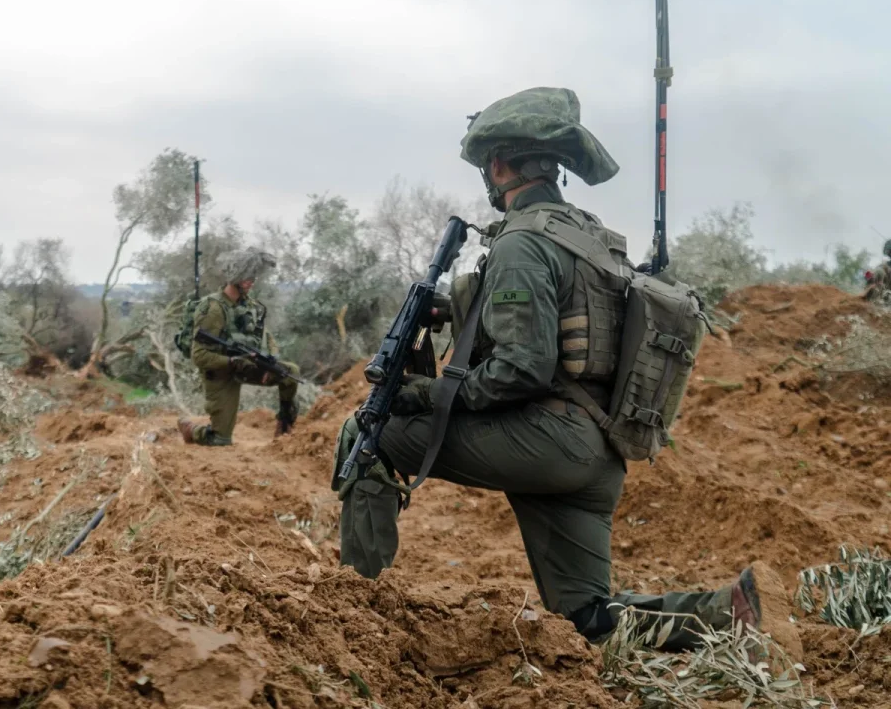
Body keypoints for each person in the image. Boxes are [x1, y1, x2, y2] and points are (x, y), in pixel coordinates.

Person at [330, 87, 801, 658]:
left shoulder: (522, 242)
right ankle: (734, 613)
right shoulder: (586, 235)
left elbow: (521, 370)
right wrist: (457, 311)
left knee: (369, 432)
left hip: (548, 440)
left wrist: (424, 394)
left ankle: (352, 611)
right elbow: (560, 321)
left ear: (500, 163)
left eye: (487, 164)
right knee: (588, 617)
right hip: (598, 452)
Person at [178, 248, 299, 445]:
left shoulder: (251, 306)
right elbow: (199, 356)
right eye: (247, 276)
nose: (252, 280)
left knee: (290, 373)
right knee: (220, 439)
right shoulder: (213, 309)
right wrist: (233, 361)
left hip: (248, 366)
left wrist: (270, 360)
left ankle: (285, 426)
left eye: (254, 276)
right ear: (235, 276)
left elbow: (267, 338)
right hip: (220, 372)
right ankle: (191, 430)